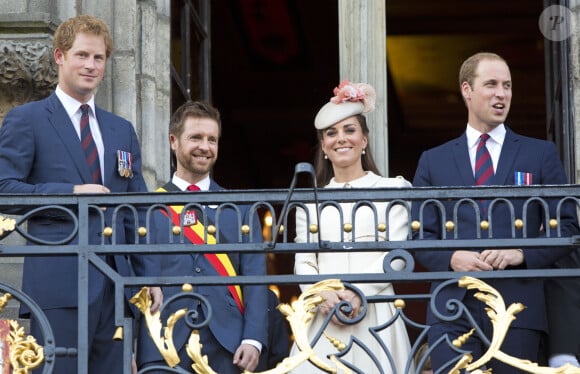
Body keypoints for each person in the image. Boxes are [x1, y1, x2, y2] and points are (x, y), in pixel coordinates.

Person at [0, 14, 162, 373]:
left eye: (99, 58)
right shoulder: (27, 119)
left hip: (117, 290)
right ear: (60, 57)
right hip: (58, 287)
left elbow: (138, 210)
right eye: (82, 55)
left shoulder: (121, 129)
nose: (91, 65)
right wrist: (73, 192)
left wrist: (149, 276)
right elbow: (4, 189)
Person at [411, 52, 579, 373]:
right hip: (453, 308)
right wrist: (451, 258)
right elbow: (419, 234)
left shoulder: (540, 153)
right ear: (466, 90)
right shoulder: (434, 160)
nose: (501, 94)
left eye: (507, 86)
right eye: (491, 84)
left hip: (520, 308)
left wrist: (520, 253)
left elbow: (568, 227)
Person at [136, 100, 268, 374]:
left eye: (212, 139)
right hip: (161, 340)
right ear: (174, 141)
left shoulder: (240, 209)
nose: (205, 147)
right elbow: (132, 277)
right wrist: (130, 346)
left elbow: (257, 279)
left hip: (228, 343)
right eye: (195, 137)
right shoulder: (146, 207)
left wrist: (253, 339)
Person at [290, 80, 413, 373]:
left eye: (349, 130)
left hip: (377, 313)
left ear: (364, 140)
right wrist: (323, 294)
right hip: (323, 316)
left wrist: (357, 292)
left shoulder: (393, 190)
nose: (340, 138)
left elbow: (396, 256)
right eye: (331, 133)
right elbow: (303, 262)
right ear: (323, 146)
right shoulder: (310, 203)